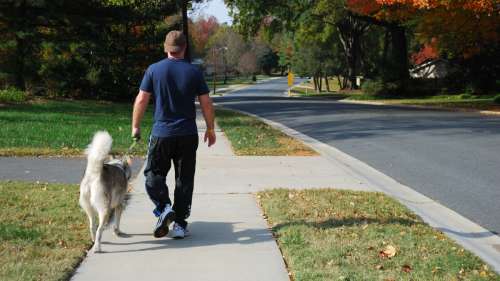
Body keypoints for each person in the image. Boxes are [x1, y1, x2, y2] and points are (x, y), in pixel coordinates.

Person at [131, 30, 216, 239]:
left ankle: (164, 206)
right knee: (184, 180)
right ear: (184, 48)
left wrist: (136, 126)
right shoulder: (194, 72)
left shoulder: (154, 70)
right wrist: (210, 128)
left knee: (153, 175)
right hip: (187, 134)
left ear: (166, 48)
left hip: (162, 134)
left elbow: (142, 99)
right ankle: (179, 225)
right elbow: (206, 102)